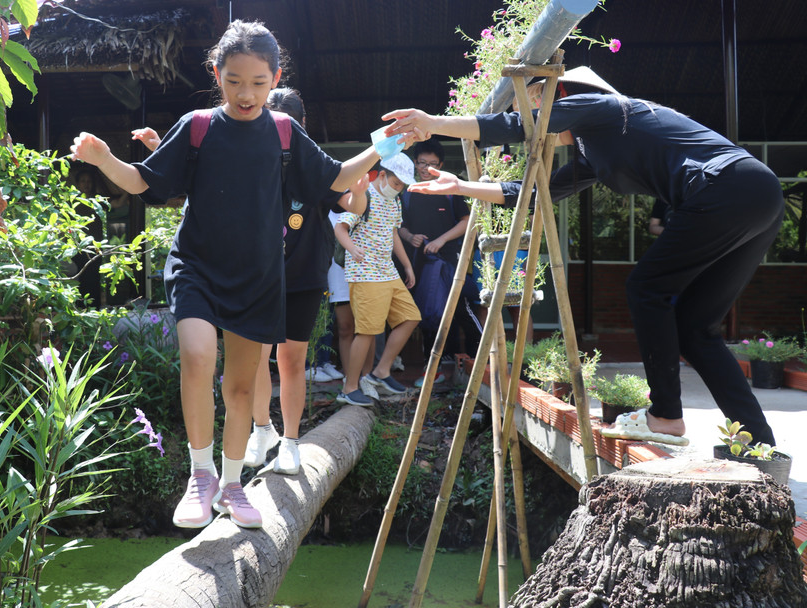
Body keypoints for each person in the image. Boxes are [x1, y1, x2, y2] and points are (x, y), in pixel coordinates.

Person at [70, 20, 413, 530]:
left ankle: (232, 486)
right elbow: (142, 182)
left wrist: (384, 146)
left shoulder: (283, 132)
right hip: (197, 268)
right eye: (233, 81)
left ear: (275, 79)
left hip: (258, 276)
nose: (245, 93)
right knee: (197, 355)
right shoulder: (197, 126)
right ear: (217, 74)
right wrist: (104, 158)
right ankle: (200, 475)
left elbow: (338, 178)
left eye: (257, 82)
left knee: (240, 387)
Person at [386, 66, 783, 447]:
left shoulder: (605, 108)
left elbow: (516, 127)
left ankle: (665, 414)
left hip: (726, 188)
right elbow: (528, 192)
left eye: (537, 100)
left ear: (563, 94)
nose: (533, 113)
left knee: (646, 289)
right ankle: (756, 439)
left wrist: (432, 122)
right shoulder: (594, 150)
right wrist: (462, 186)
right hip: (757, 197)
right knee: (696, 328)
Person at [242, 88, 368, 475]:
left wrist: (360, 194)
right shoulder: (249, 159)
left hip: (305, 273)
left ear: (299, 125)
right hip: (259, 273)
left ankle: (291, 441)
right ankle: (262, 430)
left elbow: (353, 207)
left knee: (291, 359)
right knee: (257, 356)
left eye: (287, 121)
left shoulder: (315, 164)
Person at [335, 153, 421, 406]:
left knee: (410, 317)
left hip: (387, 272)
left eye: (402, 186)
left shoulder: (394, 201)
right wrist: (352, 249)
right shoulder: (366, 196)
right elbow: (340, 227)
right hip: (365, 273)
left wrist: (407, 265)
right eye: (396, 184)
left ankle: (380, 372)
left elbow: (393, 233)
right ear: (382, 175)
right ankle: (349, 388)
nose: (399, 189)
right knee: (367, 331)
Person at [398, 138, 480, 383]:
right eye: (422, 163)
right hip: (421, 264)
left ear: (441, 165)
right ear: (415, 163)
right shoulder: (408, 192)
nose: (426, 169)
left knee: (462, 309)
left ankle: (483, 364)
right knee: (429, 313)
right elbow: (398, 226)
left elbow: (468, 222)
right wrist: (410, 236)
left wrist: (441, 240)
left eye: (432, 164)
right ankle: (432, 370)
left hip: (451, 261)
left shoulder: (450, 189)